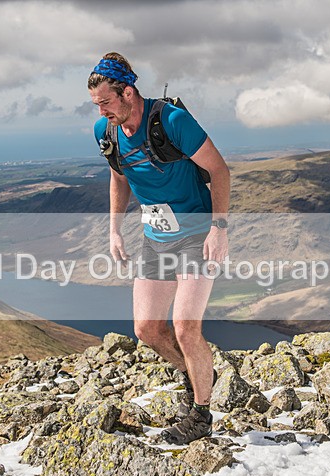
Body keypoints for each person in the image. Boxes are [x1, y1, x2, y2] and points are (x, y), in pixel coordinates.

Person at [88, 52, 231, 444]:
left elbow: (219, 170)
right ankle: (197, 373)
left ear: (127, 92)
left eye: (105, 102)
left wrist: (219, 229)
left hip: (197, 233)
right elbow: (119, 178)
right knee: (147, 329)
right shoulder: (106, 131)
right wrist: (115, 230)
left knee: (185, 327)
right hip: (156, 237)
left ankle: (200, 416)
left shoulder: (172, 121)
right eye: (96, 104)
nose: (101, 111)